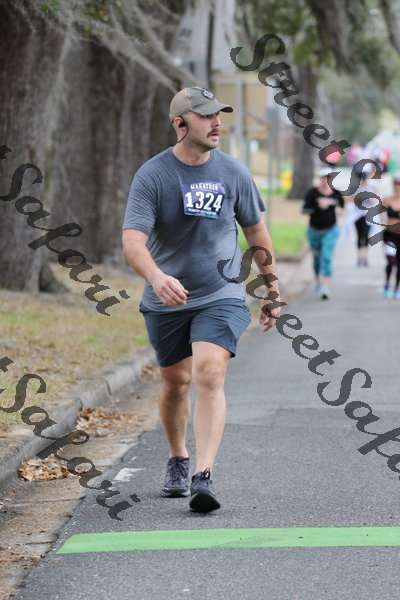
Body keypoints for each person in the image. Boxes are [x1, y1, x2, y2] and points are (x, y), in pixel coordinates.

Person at [121, 86, 281, 512]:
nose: (216, 123)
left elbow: (256, 232)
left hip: (221, 292)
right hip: (168, 297)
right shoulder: (153, 176)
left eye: (218, 115)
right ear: (180, 124)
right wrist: (156, 277)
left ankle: (203, 475)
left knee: (209, 373)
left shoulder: (234, 172)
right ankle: (178, 457)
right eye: (206, 116)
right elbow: (133, 240)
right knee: (176, 382)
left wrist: (272, 290)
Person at [302, 167, 345, 300]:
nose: (326, 180)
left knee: (326, 257)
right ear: (320, 179)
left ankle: (325, 288)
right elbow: (304, 210)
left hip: (330, 230)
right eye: (324, 177)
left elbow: (342, 210)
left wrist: (338, 210)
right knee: (317, 259)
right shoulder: (312, 193)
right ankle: (317, 282)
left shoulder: (336, 194)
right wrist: (317, 207)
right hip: (314, 231)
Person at [345, 170, 377, 266]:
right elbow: (349, 199)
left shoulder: (371, 187)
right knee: (359, 236)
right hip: (357, 214)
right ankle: (359, 257)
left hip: (367, 214)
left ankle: (365, 257)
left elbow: (375, 200)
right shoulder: (355, 188)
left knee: (366, 235)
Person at [381, 176, 400, 298]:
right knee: (391, 261)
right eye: (396, 185)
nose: (397, 188)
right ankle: (387, 282)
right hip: (389, 235)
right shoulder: (387, 200)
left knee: (399, 263)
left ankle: (397, 288)